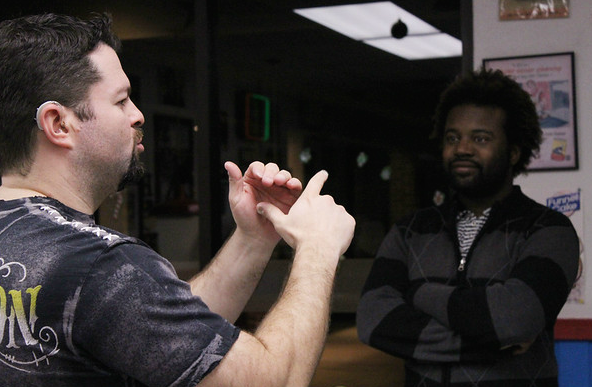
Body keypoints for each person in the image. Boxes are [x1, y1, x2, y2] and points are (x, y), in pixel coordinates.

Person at [0, 13, 355, 387]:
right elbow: (275, 381)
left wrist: (253, 239)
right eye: (121, 101)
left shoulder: (79, 268)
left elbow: (162, 335)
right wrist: (318, 249)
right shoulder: (99, 264)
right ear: (58, 124)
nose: (138, 114)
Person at [357, 69, 579, 386]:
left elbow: (515, 318)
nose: (462, 148)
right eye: (452, 138)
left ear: (514, 152)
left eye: (480, 138)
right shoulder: (411, 231)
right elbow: (373, 321)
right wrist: (491, 341)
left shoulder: (548, 229)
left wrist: (418, 293)